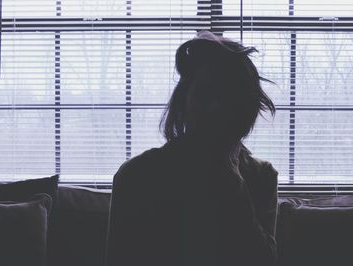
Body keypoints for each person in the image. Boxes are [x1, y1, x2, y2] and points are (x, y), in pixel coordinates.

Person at [106, 31, 278, 266]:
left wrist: (232, 182)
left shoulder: (261, 177)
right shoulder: (137, 175)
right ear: (184, 101)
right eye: (205, 94)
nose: (215, 108)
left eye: (228, 97)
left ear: (244, 108)